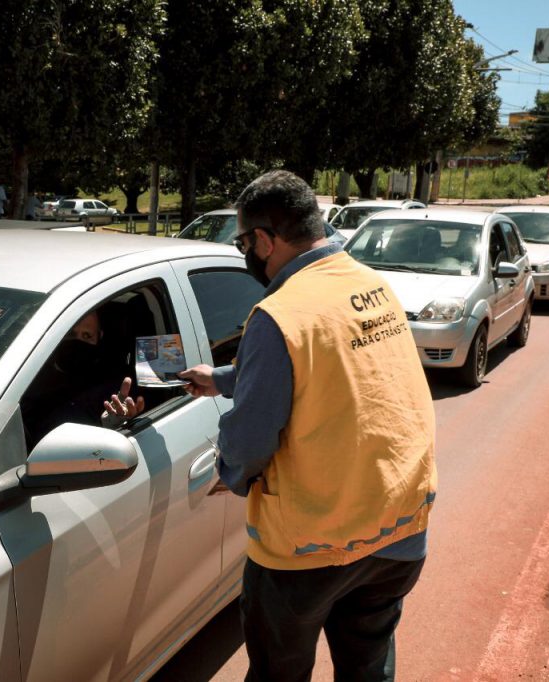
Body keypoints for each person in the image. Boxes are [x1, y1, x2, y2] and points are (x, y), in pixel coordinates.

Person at [179, 170, 437, 681]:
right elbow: (333, 367)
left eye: (244, 243)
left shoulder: (278, 314)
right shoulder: (372, 286)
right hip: (400, 527)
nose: (247, 255)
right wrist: (228, 378)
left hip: (309, 548)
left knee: (280, 672)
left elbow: (251, 440)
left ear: (265, 240)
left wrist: (230, 472)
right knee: (366, 665)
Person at [22, 310, 144, 447]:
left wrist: (114, 424)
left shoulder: (109, 385)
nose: (77, 342)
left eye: (87, 336)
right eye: (71, 335)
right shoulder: (27, 375)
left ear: (99, 337)